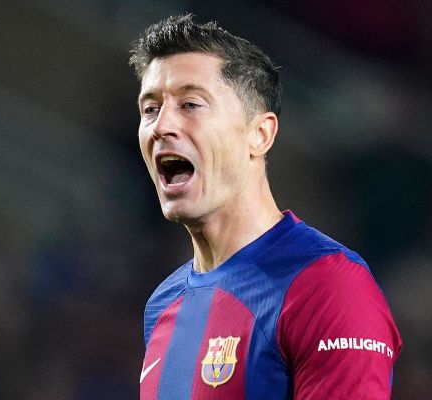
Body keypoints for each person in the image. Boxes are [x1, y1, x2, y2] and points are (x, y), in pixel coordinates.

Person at [130, 14, 401, 399]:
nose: (161, 126)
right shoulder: (163, 305)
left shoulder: (327, 286)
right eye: (150, 109)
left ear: (260, 134)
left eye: (190, 104)